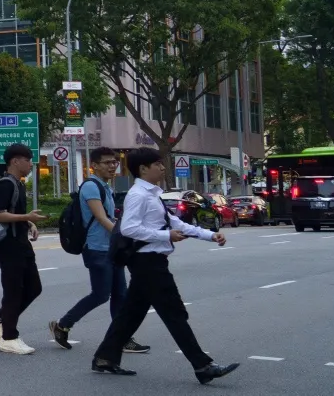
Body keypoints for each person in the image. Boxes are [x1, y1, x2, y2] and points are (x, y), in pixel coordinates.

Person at [92, 147, 237, 383]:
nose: (162, 167)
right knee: (174, 313)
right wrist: (165, 236)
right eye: (157, 164)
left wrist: (210, 235)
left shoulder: (152, 194)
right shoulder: (138, 195)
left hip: (151, 261)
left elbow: (176, 223)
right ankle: (202, 366)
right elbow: (129, 228)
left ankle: (105, 357)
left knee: (131, 314)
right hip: (147, 263)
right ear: (143, 169)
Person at [49, 150, 147, 354]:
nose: (112, 166)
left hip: (110, 248)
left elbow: (110, 217)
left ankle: (122, 338)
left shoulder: (104, 186)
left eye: (114, 162)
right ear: (94, 165)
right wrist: (124, 238)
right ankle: (62, 325)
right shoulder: (91, 187)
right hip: (96, 249)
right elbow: (102, 218)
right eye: (107, 163)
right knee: (101, 294)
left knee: (120, 295)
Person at [0, 142, 44, 354]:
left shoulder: (19, 184)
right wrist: (26, 216)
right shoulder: (5, 184)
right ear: (15, 161)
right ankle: (9, 337)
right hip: (8, 246)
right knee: (13, 291)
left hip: (21, 243)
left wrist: (29, 222)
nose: (31, 164)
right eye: (28, 160)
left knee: (34, 288)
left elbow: (12, 212)